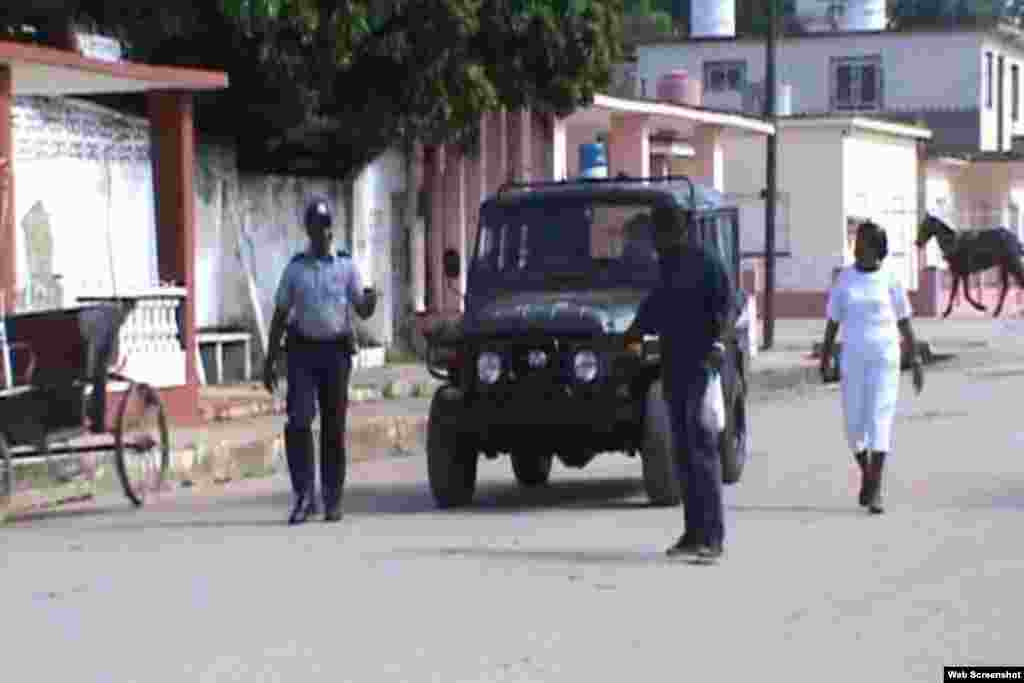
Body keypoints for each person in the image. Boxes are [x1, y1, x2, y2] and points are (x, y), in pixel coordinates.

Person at [624, 207, 733, 564]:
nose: (657, 239)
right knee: (682, 454)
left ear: (681, 230)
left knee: (701, 451)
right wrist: (633, 334)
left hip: (701, 365)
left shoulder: (706, 263)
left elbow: (726, 307)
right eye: (656, 232)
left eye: (663, 231)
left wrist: (718, 345)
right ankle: (693, 532)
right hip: (674, 366)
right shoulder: (667, 265)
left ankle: (713, 537)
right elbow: (654, 307)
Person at [263, 197, 377, 525]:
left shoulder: (346, 266)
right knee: (298, 421)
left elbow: (362, 309)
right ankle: (303, 495)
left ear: (332, 229)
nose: (323, 234)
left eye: (327, 227)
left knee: (333, 425)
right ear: (308, 231)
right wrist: (270, 360)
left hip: (336, 354)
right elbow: (281, 314)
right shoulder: (296, 269)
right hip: (301, 352)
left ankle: (332, 497)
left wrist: (371, 299)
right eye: (316, 228)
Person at [820, 220, 924, 515]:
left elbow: (905, 321)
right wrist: (826, 356)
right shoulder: (844, 279)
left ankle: (875, 488)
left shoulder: (891, 279)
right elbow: (832, 322)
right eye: (855, 241)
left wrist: (914, 359)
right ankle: (868, 473)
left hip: (885, 358)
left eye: (862, 242)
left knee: (880, 417)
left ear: (876, 248)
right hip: (852, 358)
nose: (856, 246)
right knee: (853, 426)